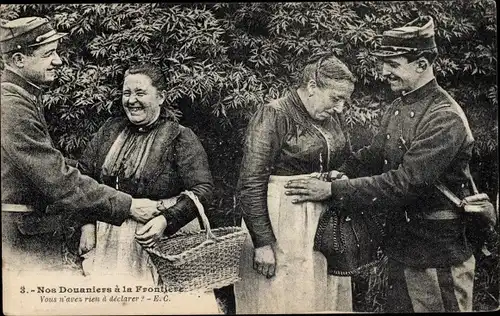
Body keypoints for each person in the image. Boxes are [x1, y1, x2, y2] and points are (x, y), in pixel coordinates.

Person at [285, 16, 476, 313]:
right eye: (384, 63)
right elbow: (375, 156)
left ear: (422, 64)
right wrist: (341, 170)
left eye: (393, 64)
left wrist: (333, 189)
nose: (384, 72)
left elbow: (406, 182)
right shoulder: (399, 105)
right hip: (401, 248)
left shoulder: (444, 116)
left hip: (437, 255)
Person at [1, 16, 160, 275]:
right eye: (48, 54)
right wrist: (128, 205)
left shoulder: (22, 97)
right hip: (19, 239)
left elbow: (48, 166)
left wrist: (90, 172)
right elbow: (56, 179)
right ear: (19, 60)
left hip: (25, 232)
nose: (58, 61)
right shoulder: (12, 106)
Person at [76, 63, 220, 313]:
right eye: (126, 93)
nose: (132, 101)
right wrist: (87, 224)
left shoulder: (180, 136)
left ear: (161, 97)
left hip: (161, 239)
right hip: (111, 238)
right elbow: (85, 177)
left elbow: (203, 189)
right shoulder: (110, 131)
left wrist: (166, 219)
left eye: (140, 93)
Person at [234, 54, 356, 313]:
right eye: (336, 98)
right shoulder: (274, 114)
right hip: (281, 223)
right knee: (281, 298)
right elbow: (250, 182)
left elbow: (344, 161)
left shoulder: (331, 118)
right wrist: (262, 243)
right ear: (312, 86)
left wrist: (336, 178)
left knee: (320, 297)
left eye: (345, 100)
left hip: (321, 224)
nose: (340, 108)